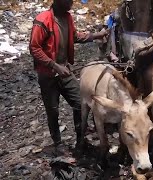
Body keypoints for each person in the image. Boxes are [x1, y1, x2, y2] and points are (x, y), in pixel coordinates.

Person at [29, 0, 108, 152]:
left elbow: (75, 36)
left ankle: (80, 138)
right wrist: (54, 65)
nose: (71, 3)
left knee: (80, 103)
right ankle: (58, 143)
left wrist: (97, 35)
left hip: (64, 71)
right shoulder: (42, 20)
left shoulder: (68, 18)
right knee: (53, 110)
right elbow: (34, 48)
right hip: (48, 75)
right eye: (68, 1)